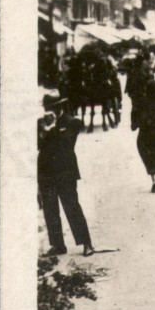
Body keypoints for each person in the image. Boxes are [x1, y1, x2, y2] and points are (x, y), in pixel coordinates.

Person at [38, 92, 95, 257]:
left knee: (72, 207)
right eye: (48, 108)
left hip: (65, 171)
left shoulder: (71, 122)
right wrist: (43, 130)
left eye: (54, 108)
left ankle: (86, 243)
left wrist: (52, 129)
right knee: (50, 209)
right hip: (46, 171)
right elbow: (36, 144)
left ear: (60, 107)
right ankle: (58, 245)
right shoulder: (40, 124)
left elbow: (67, 143)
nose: (51, 111)